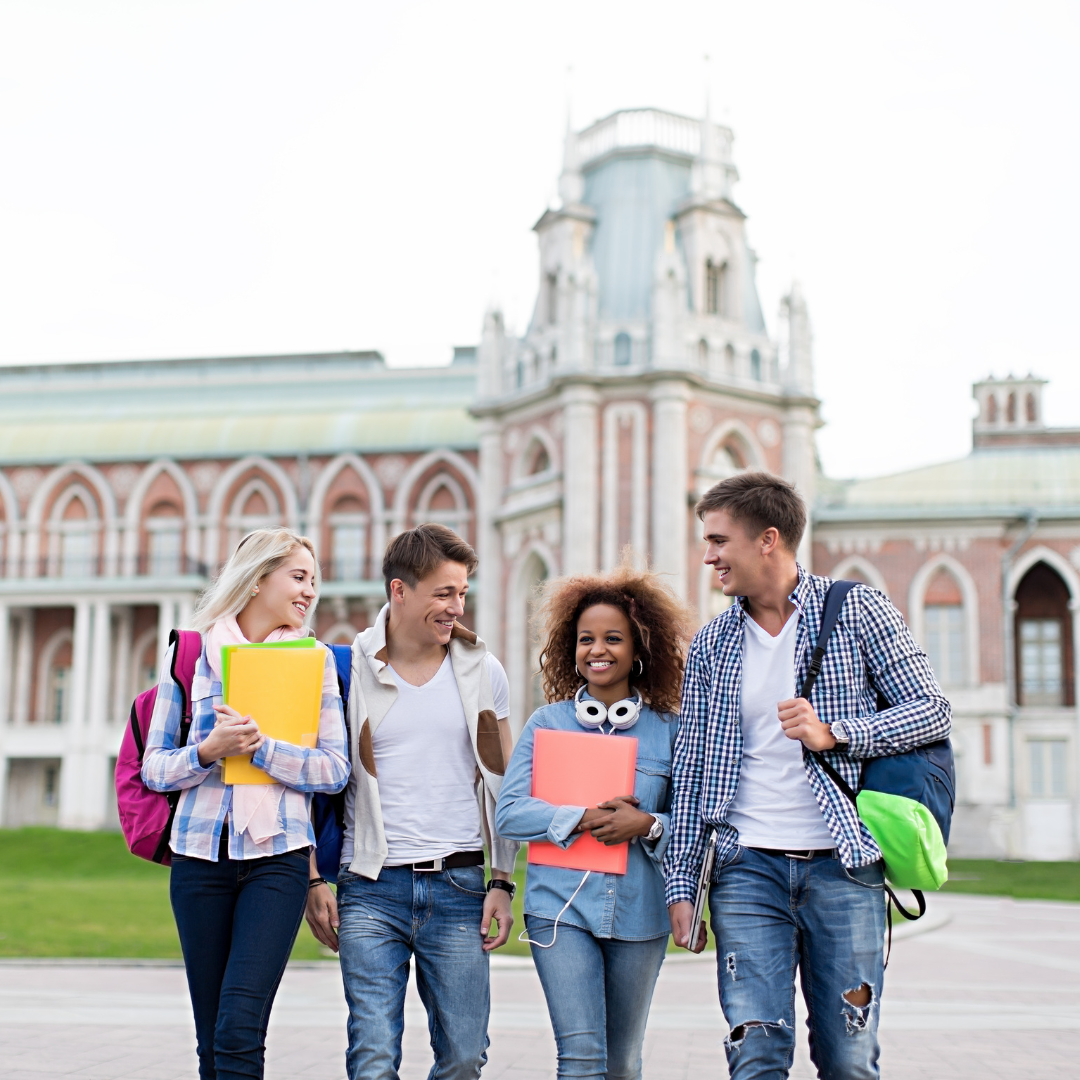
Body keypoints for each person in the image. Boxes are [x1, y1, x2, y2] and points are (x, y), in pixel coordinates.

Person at [664, 472, 951, 1079]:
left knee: (847, 1058)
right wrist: (683, 884)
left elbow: (932, 710)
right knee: (757, 1050)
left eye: (719, 541)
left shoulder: (856, 610)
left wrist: (837, 732)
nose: (709, 555)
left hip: (843, 867)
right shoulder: (712, 644)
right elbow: (690, 772)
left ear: (768, 539)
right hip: (746, 871)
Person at [305, 523, 518, 1080]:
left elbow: (505, 784)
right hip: (372, 889)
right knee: (373, 1056)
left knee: (465, 1057)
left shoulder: (483, 672)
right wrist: (311, 879)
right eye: (443, 593)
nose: (456, 607)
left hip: (461, 887)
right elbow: (308, 784)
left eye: (463, 593)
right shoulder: (345, 672)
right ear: (399, 591)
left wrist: (502, 880)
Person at [142, 527, 350, 1080]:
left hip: (277, 861)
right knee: (211, 1037)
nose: (310, 592)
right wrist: (208, 752)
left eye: (315, 581)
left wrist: (264, 750)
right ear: (258, 579)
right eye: (299, 577)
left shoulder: (315, 661)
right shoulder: (189, 656)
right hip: (198, 860)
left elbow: (334, 770)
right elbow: (154, 768)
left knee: (239, 1026)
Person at [496, 565, 695, 1080]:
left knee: (622, 1063)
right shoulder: (547, 723)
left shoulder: (669, 731)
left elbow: (693, 825)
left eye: (613, 638)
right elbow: (511, 813)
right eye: (586, 639)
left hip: (639, 913)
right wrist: (580, 818)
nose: (597, 650)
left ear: (638, 649)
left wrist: (647, 824)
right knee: (581, 1058)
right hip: (559, 910)